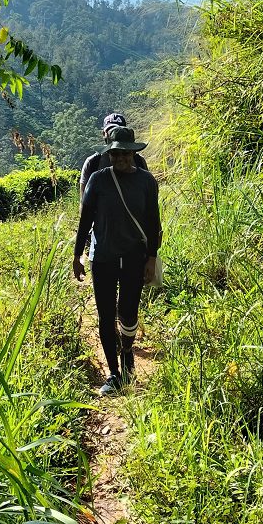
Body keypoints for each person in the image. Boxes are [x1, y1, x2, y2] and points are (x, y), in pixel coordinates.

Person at [74, 126, 161, 395]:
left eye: (124, 154)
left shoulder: (147, 181)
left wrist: (151, 258)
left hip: (135, 256)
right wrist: (77, 255)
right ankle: (114, 373)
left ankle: (128, 354)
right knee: (105, 314)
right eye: (115, 155)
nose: (120, 159)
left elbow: (153, 222)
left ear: (133, 153)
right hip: (103, 258)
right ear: (109, 154)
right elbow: (85, 220)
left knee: (128, 311)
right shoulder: (97, 180)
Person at [80, 112, 148, 200]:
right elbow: (84, 200)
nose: (113, 134)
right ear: (103, 133)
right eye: (110, 131)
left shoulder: (139, 161)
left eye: (116, 130)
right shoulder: (93, 162)